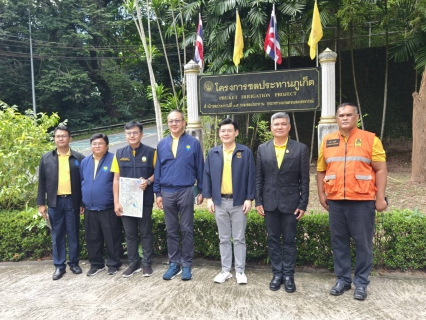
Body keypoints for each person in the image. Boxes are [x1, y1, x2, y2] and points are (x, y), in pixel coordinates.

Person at [317, 102, 387, 301]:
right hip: (336, 201)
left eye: (349, 114)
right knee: (339, 243)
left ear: (357, 117)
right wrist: (321, 194)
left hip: (362, 201)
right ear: (337, 119)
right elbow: (321, 170)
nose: (344, 118)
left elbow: (381, 169)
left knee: (363, 244)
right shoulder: (328, 140)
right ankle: (343, 280)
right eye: (341, 115)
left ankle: (361, 283)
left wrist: (380, 197)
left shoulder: (370, 139)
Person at [255, 112, 309, 293]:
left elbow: (305, 180)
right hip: (269, 202)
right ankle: (277, 274)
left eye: (283, 124)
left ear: (289, 127)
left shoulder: (300, 149)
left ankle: (288, 275)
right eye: (276, 124)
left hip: (291, 202)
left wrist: (303, 204)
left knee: (289, 240)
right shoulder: (263, 149)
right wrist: (258, 201)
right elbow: (259, 178)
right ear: (271, 128)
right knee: (272, 240)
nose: (279, 127)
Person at [203, 118, 255, 285]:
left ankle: (240, 271)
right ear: (219, 133)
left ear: (236, 133)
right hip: (219, 202)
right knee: (224, 238)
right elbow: (207, 176)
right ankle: (225, 270)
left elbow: (251, 176)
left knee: (239, 238)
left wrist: (249, 198)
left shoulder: (245, 152)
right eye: (223, 131)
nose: (225, 133)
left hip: (239, 202)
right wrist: (209, 198)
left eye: (229, 131)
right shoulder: (213, 153)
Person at [154, 110, 204, 281]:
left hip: (186, 190)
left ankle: (187, 264)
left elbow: (200, 167)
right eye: (171, 121)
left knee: (187, 228)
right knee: (171, 230)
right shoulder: (161, 144)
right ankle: (174, 263)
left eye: (177, 120)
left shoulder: (193, 143)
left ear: (184, 122)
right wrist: (157, 192)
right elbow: (158, 170)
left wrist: (202, 190)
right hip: (167, 192)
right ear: (168, 124)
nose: (174, 124)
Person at [37, 125, 85, 280]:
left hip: (72, 201)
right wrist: (41, 203)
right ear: (55, 139)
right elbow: (41, 183)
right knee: (57, 234)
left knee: (73, 233)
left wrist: (82, 203)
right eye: (58, 136)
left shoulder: (78, 158)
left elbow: (83, 182)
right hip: (54, 203)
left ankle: (74, 263)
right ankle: (59, 266)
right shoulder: (46, 158)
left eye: (64, 136)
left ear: (69, 138)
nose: (61, 139)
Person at [112, 121, 156, 278]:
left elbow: (159, 173)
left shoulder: (151, 152)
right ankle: (133, 264)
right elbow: (116, 179)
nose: (132, 136)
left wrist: (149, 181)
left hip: (145, 200)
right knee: (130, 234)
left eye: (135, 133)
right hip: (126, 202)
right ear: (125, 135)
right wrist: (116, 202)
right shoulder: (119, 153)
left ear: (141, 134)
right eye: (129, 133)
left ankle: (147, 264)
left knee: (145, 233)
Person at [80, 133, 122, 276]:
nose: (97, 146)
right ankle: (96, 264)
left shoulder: (113, 159)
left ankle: (113, 263)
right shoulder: (85, 162)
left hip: (108, 207)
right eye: (94, 144)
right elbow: (82, 182)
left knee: (111, 237)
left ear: (107, 145)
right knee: (92, 238)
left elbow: (118, 181)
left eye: (100, 143)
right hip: (90, 208)